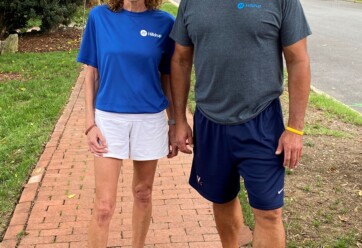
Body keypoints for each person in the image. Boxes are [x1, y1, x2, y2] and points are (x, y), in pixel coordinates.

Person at [169, 0, 311, 247]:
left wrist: (295, 129)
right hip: (210, 121)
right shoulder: (191, 3)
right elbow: (180, 59)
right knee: (221, 199)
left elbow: (298, 59)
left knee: (269, 212)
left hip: (262, 121)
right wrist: (179, 120)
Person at [76, 0, 176, 247]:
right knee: (104, 206)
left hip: (149, 119)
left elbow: (168, 79)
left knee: (143, 194)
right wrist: (90, 123)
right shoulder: (99, 17)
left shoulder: (165, 23)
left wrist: (174, 122)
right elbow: (91, 74)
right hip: (109, 119)